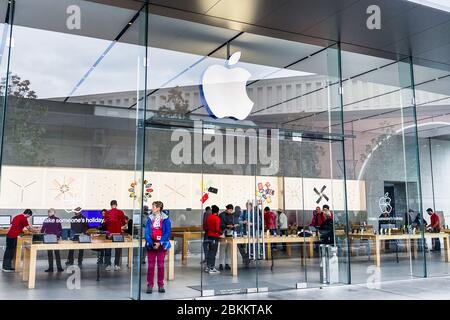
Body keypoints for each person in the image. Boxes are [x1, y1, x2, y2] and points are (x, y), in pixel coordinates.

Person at [144, 201, 171, 294]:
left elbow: (167, 232)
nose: (152, 208)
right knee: (151, 266)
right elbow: (146, 232)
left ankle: (161, 285)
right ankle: (150, 285)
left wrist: (160, 243)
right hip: (151, 245)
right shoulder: (149, 219)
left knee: (161, 265)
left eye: (153, 207)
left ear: (158, 208)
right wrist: (151, 242)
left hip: (161, 246)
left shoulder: (166, 219)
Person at [104, 200, 127, 271]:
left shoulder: (107, 212)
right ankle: (116, 265)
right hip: (118, 233)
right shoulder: (120, 212)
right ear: (116, 205)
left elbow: (105, 223)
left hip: (109, 233)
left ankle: (108, 265)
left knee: (108, 249)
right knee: (118, 250)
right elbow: (123, 222)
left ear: (110, 205)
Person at [41, 208, 63, 272]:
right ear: (54, 213)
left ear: (49, 213)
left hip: (48, 239)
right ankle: (59, 268)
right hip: (55, 238)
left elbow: (42, 230)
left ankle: (51, 268)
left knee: (50, 254)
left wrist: (42, 236)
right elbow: (60, 229)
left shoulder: (46, 220)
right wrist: (58, 236)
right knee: (57, 253)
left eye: (48, 212)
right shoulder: (57, 219)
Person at [204, 205, 222, 274]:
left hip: (209, 236)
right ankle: (212, 268)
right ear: (217, 211)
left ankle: (208, 267)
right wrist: (221, 232)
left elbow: (206, 226)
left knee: (209, 251)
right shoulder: (216, 218)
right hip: (215, 237)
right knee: (213, 252)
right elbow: (217, 229)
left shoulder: (209, 217)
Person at [219, 204, 236, 270]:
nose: (230, 211)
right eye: (230, 210)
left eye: (231, 210)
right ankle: (221, 264)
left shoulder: (231, 215)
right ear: (227, 209)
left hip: (230, 233)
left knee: (229, 249)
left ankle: (227, 263)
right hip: (223, 233)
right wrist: (227, 226)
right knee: (222, 249)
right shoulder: (222, 215)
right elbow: (220, 224)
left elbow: (232, 222)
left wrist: (233, 226)